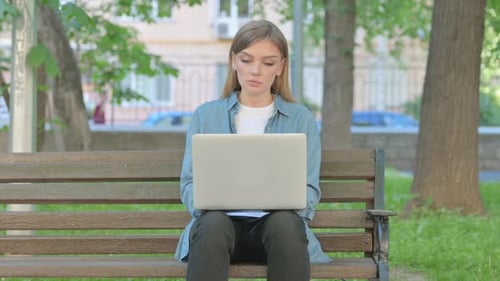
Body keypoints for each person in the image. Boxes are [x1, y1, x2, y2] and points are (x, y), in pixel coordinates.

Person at [175, 19, 330, 281]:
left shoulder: (300, 119)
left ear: (281, 66)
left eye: (268, 63)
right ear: (234, 61)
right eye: (247, 60)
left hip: (277, 234)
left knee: (286, 224)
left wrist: (285, 205)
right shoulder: (206, 116)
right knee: (212, 223)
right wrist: (205, 203)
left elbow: (309, 188)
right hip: (218, 232)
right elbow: (189, 183)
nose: (255, 71)